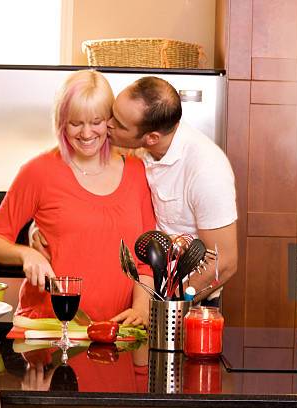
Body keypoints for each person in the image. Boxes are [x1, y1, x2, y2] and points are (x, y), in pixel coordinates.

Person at [33, 76, 238, 320]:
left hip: (187, 298)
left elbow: (224, 262)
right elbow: (75, 183)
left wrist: (165, 303)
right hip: (143, 292)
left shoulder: (206, 169)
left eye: (117, 123)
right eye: (112, 113)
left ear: (150, 137)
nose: (107, 124)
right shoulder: (134, 145)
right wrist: (42, 225)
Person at [0, 70, 155, 325]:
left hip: (117, 330)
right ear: (61, 121)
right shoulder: (38, 171)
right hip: (49, 329)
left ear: (110, 120)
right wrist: (27, 254)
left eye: (96, 121)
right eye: (75, 123)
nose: (86, 133)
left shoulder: (137, 172)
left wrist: (141, 308)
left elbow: (145, 260)